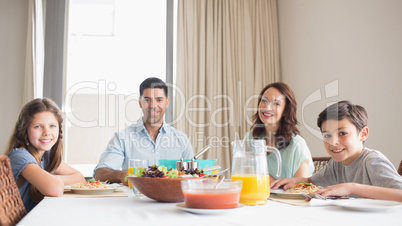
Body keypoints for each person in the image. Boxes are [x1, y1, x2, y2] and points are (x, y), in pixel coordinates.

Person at [271, 101, 402, 201]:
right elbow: (312, 181)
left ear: (363, 134)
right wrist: (296, 181)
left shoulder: (372, 161)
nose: (333, 142)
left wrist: (350, 187)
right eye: (327, 135)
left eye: (342, 133)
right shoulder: (337, 163)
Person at [94, 77, 194, 185]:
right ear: (140, 102)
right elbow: (100, 173)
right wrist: (122, 175)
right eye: (147, 100)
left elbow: (193, 177)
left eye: (159, 100)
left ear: (167, 102)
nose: (153, 105)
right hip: (135, 200)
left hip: (172, 200)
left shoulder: (181, 139)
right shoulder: (122, 137)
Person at [6, 98, 86, 212]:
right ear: (25, 130)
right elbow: (56, 188)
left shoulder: (46, 156)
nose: (47, 132)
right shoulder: (20, 156)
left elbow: (79, 178)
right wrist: (50, 180)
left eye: (52, 126)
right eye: (38, 126)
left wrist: (48, 178)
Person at [245, 82, 314, 182]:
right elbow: (246, 176)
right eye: (264, 101)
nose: (267, 108)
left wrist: (265, 178)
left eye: (276, 103)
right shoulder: (250, 138)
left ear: (285, 111)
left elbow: (300, 190)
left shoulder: (297, 145)